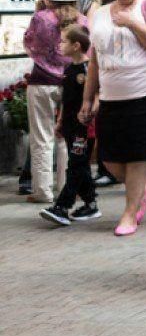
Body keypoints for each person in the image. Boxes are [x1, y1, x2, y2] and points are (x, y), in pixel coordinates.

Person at [83, 0, 146, 236]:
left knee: (136, 157)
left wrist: (132, 22)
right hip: (110, 96)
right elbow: (94, 60)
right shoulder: (101, 13)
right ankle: (141, 188)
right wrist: (88, 98)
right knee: (108, 158)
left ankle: (129, 214)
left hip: (145, 91)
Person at [24, 0, 84, 204]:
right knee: (66, 136)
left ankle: (42, 190)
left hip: (42, 82)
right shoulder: (82, 19)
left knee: (42, 136)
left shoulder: (41, 18)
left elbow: (31, 45)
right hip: (71, 82)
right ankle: (66, 186)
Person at [40, 24, 100, 226]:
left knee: (75, 166)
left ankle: (62, 207)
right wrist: (59, 122)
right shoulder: (68, 69)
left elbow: (97, 95)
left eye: (63, 41)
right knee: (79, 165)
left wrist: (91, 113)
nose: (59, 44)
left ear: (76, 45)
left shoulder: (88, 68)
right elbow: (66, 100)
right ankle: (91, 204)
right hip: (69, 125)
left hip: (84, 127)